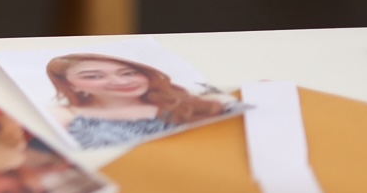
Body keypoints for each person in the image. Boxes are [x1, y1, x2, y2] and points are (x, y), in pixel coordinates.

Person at [46, 53, 233, 150]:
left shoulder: (197, 102)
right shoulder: (63, 116)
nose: (121, 82)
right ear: (71, 86)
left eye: (129, 73)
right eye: (94, 76)